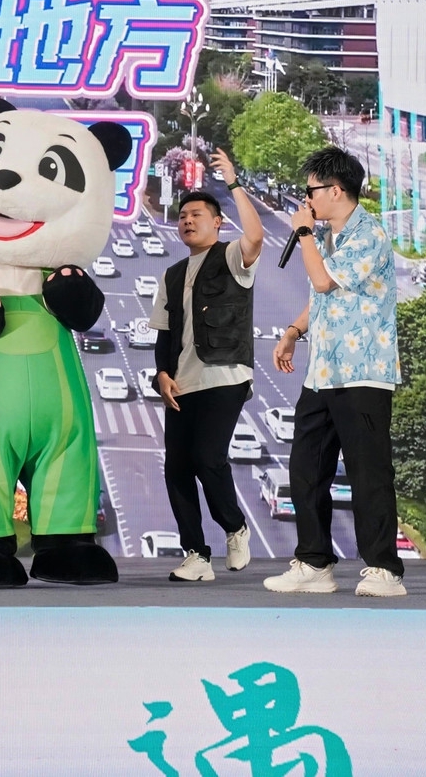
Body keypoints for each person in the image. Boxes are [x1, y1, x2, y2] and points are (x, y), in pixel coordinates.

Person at [266, 146, 407, 598]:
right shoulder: (328, 236)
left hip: (362, 370)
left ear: (337, 190)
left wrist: (305, 233)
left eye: (311, 191)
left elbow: (324, 280)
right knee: (306, 468)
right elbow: (324, 296)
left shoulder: (369, 234)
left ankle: (384, 569)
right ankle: (314, 562)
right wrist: (294, 330)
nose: (306, 200)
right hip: (323, 371)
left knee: (368, 473)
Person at [150, 148, 264, 583]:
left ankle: (234, 527)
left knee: (207, 457)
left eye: (196, 214)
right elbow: (165, 334)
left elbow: (256, 237)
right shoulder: (172, 274)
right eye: (182, 216)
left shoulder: (232, 256)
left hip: (225, 374)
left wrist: (233, 182)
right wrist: (162, 374)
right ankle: (196, 555)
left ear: (217, 222)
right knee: (176, 467)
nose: (187, 220)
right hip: (183, 383)